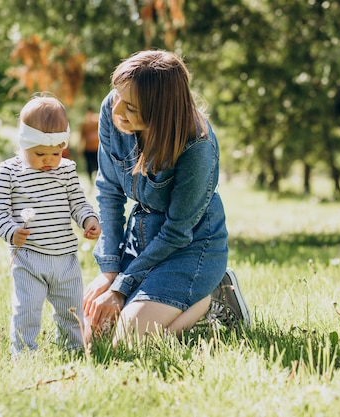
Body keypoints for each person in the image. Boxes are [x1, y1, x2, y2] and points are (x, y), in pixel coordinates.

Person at [82, 50, 250, 346]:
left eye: (130, 106)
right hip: (143, 240)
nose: (116, 108)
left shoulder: (197, 148)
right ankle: (182, 304)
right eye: (117, 95)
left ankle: (211, 297)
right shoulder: (113, 110)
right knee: (93, 338)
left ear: (159, 111)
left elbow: (176, 232)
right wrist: (109, 272)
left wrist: (121, 288)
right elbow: (109, 192)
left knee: (129, 341)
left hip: (190, 248)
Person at [0, 94, 101, 355]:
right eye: (40, 153)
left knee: (71, 310)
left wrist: (89, 219)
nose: (49, 160)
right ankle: (25, 353)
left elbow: (78, 203)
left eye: (55, 152)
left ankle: (74, 350)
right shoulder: (9, 171)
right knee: (26, 309)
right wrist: (11, 231)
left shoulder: (66, 170)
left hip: (65, 259)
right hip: (29, 257)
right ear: (24, 143)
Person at [79, 106, 100, 182]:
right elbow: (81, 138)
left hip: (96, 148)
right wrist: (80, 150)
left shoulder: (98, 122)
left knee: (98, 166)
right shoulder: (84, 125)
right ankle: (90, 181)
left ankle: (98, 180)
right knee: (89, 167)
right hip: (88, 149)